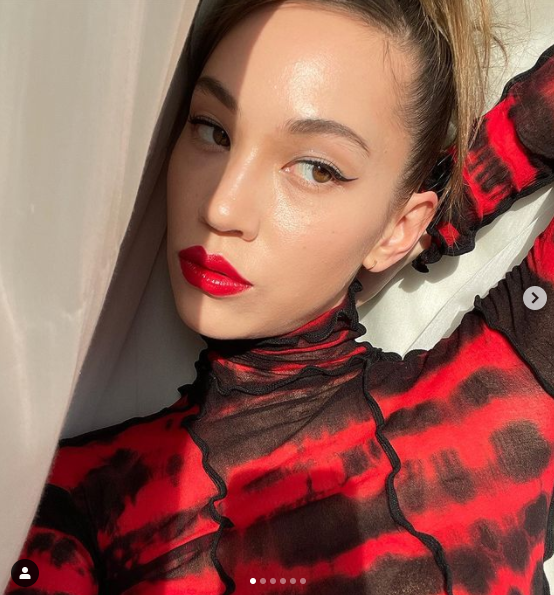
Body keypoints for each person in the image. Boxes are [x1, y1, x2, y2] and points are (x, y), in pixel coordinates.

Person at [5, 1, 554, 594]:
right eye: (213, 131)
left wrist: (435, 217)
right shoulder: (76, 503)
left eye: (317, 169)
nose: (221, 207)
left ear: (399, 224)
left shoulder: (490, 411)